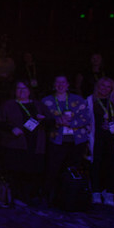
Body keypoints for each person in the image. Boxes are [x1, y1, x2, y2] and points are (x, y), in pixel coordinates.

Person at [0, 81, 48, 205]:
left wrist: (43, 120)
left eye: (24, 88)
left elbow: (50, 122)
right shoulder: (8, 105)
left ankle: (31, 197)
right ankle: (17, 197)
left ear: (29, 91)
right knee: (17, 172)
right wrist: (11, 129)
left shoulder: (38, 105)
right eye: (18, 88)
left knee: (34, 172)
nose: (22, 91)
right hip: (16, 144)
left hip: (36, 145)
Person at [41, 75, 91, 204]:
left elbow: (86, 118)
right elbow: (42, 120)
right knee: (53, 169)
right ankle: (49, 197)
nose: (61, 85)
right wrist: (57, 121)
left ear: (68, 85)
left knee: (73, 169)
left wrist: (70, 123)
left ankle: (70, 197)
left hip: (77, 141)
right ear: (54, 85)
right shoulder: (46, 101)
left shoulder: (78, 100)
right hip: (56, 140)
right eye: (58, 82)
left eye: (63, 82)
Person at [86, 77, 114, 206]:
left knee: (113, 167)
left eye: (108, 87)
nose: (105, 89)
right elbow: (84, 120)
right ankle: (96, 192)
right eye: (102, 86)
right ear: (97, 86)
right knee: (96, 166)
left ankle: (109, 193)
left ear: (112, 88)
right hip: (96, 138)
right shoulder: (90, 100)